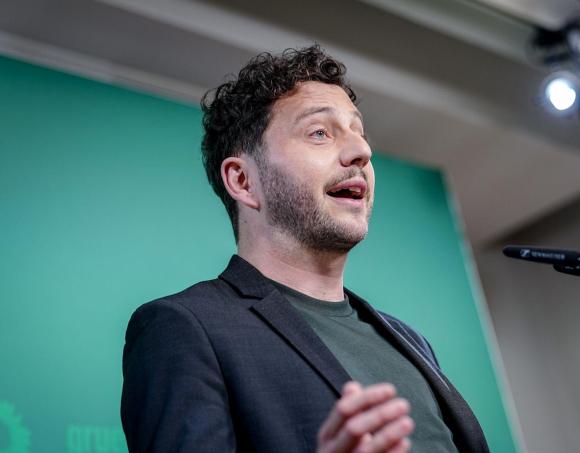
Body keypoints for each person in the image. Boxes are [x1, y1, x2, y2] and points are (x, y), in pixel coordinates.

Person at [120, 45, 489, 453]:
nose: (362, 152)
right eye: (320, 133)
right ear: (243, 181)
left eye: (359, 133)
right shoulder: (183, 328)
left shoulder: (411, 341)